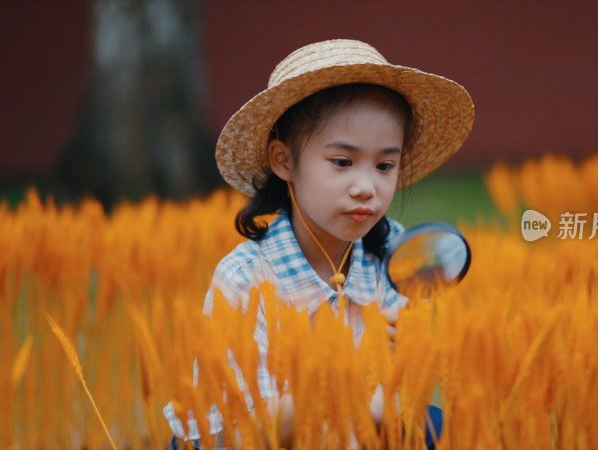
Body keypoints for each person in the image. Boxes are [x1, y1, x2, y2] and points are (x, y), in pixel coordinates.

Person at [164, 38, 474, 448]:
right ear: (284, 161)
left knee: (433, 425)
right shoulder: (246, 279)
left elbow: (395, 405)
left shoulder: (395, 255)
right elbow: (245, 433)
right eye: (342, 162)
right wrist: (345, 374)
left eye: (385, 165)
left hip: (354, 432)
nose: (366, 187)